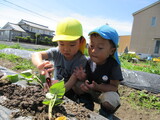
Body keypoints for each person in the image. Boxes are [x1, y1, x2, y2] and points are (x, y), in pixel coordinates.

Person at [74, 25, 123, 119]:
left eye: (100, 48)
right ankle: (86, 105)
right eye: (91, 46)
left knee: (111, 98)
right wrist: (83, 78)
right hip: (92, 90)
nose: (93, 50)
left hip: (105, 92)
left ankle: (105, 114)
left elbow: (114, 87)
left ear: (111, 51)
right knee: (77, 84)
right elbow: (87, 78)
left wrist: (98, 87)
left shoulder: (113, 66)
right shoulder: (88, 62)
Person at [31, 17, 87, 93]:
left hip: (70, 87)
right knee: (43, 75)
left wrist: (57, 92)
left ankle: (79, 98)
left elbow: (71, 81)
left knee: (79, 85)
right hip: (57, 83)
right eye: (62, 44)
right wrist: (40, 64)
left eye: (72, 45)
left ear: (81, 42)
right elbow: (36, 54)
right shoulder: (56, 52)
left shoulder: (80, 59)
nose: (66, 49)